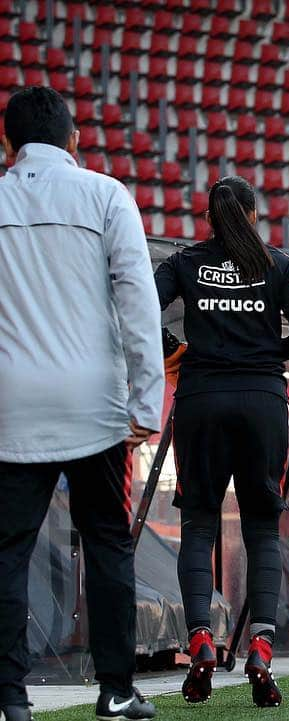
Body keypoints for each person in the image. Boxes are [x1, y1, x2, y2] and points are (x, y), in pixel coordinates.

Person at [0, 87, 163, 721]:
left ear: (9, 146)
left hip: (11, 404)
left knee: (8, 553)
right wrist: (146, 401)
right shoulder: (105, 195)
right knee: (107, 545)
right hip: (96, 406)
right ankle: (117, 690)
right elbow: (138, 304)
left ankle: (10, 698)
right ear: (75, 141)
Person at [154, 176, 289, 708]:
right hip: (262, 402)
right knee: (262, 529)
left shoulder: (184, 262)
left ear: (210, 218)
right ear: (252, 215)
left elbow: (135, 307)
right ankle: (263, 646)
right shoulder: (278, 264)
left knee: (198, 524)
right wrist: (268, 353)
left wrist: (174, 348)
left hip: (202, 399)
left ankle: (201, 638)